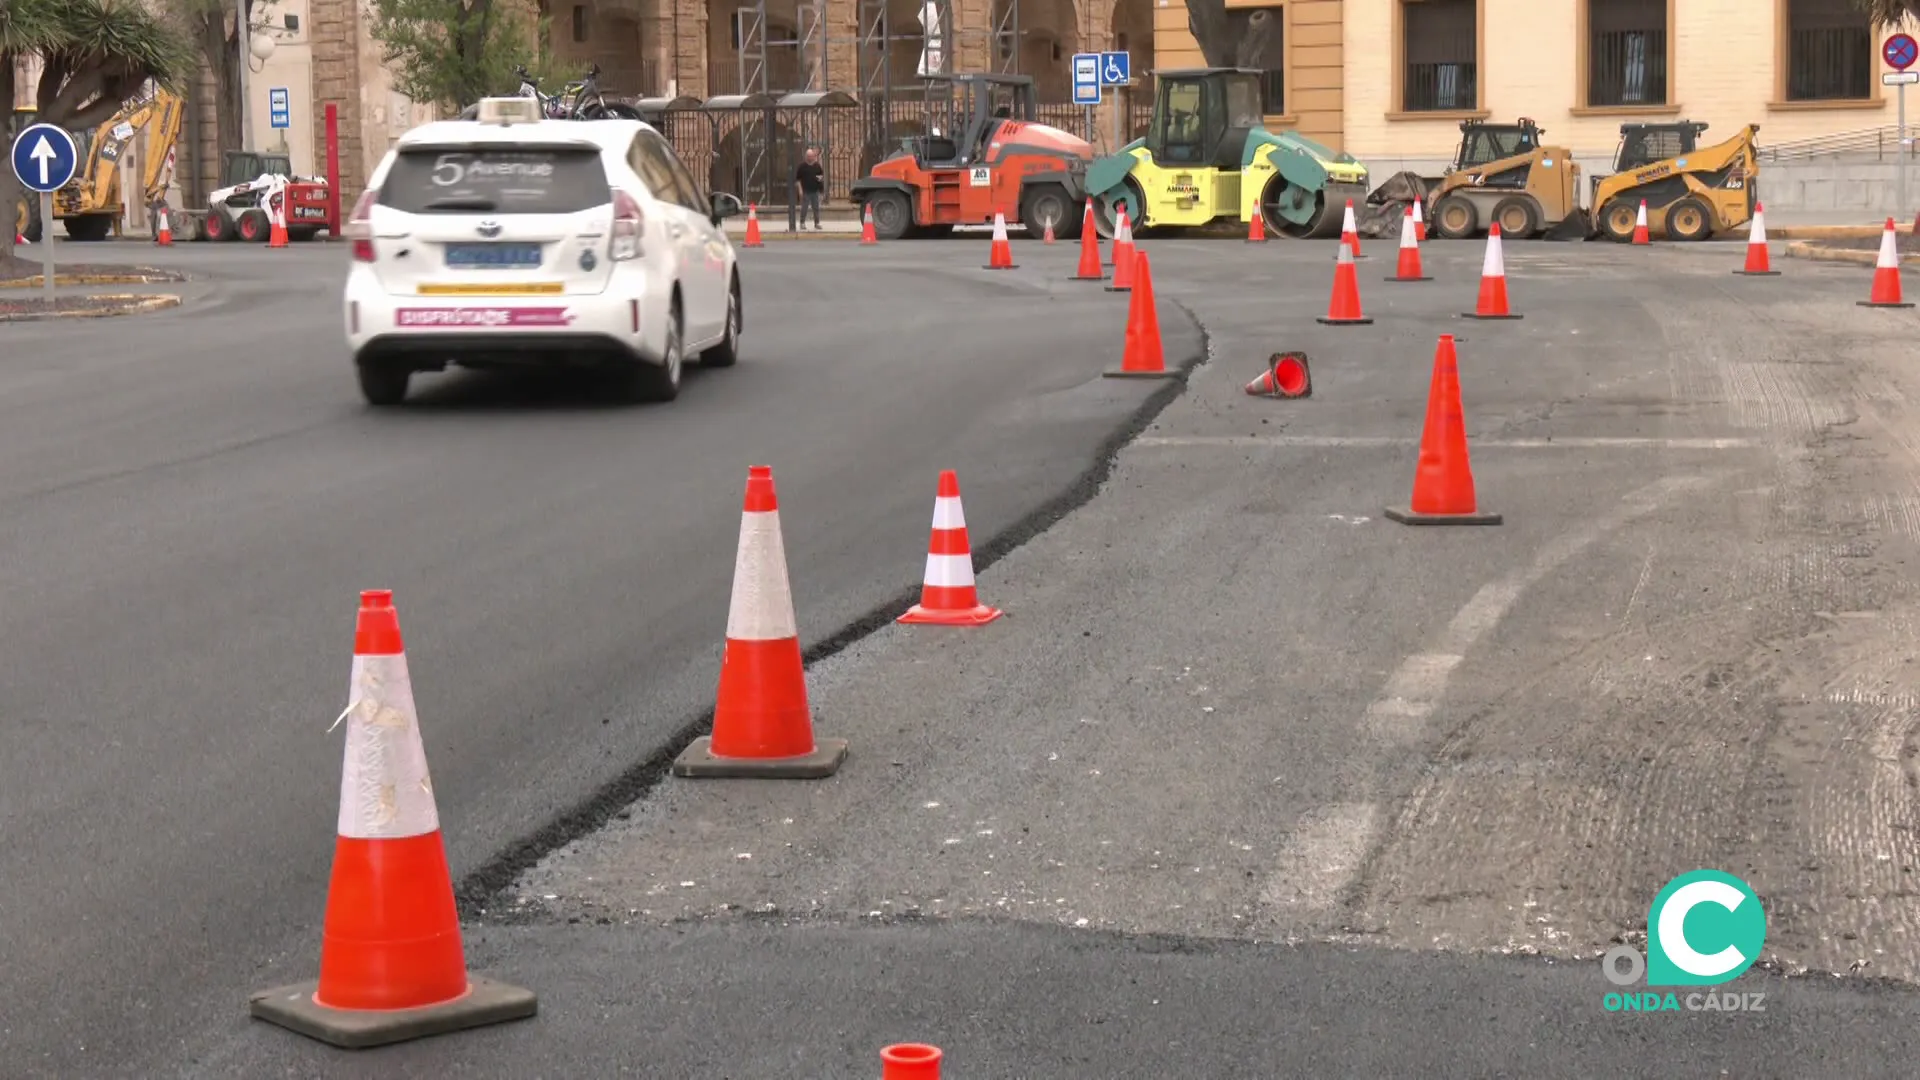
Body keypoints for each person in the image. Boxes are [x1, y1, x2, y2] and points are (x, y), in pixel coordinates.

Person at [792, 148, 825, 231]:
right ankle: (802, 223)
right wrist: (800, 190)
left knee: (816, 208)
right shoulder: (802, 166)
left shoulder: (817, 166)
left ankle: (816, 223)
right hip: (805, 191)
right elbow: (797, 180)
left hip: (815, 190)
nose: (810, 158)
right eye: (808, 156)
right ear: (806, 156)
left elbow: (820, 178)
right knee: (804, 208)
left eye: (811, 156)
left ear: (814, 156)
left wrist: (821, 189)